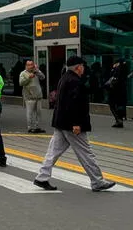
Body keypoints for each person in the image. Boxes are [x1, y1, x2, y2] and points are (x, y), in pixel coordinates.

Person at [33, 56, 116, 192]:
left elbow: (79, 95)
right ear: (78, 67)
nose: (84, 68)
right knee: (85, 152)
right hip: (71, 124)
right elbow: (74, 104)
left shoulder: (66, 78)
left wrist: (102, 86)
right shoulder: (74, 81)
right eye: (82, 66)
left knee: (53, 152)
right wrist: (77, 123)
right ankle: (97, 181)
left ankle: (42, 177)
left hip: (61, 122)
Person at [20, 60, 46, 133]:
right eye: (29, 65)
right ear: (26, 66)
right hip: (29, 96)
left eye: (32, 64)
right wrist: (29, 77)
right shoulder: (23, 73)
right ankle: (30, 127)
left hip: (38, 95)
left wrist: (37, 71)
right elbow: (21, 83)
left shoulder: (36, 72)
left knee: (39, 112)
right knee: (30, 112)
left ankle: (37, 127)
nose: (30, 66)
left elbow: (43, 77)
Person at [106, 58, 128, 128]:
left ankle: (118, 119)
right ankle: (120, 120)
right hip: (122, 91)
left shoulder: (117, 69)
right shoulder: (124, 69)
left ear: (117, 63)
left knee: (112, 105)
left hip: (114, 90)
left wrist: (113, 69)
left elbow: (112, 78)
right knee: (119, 105)